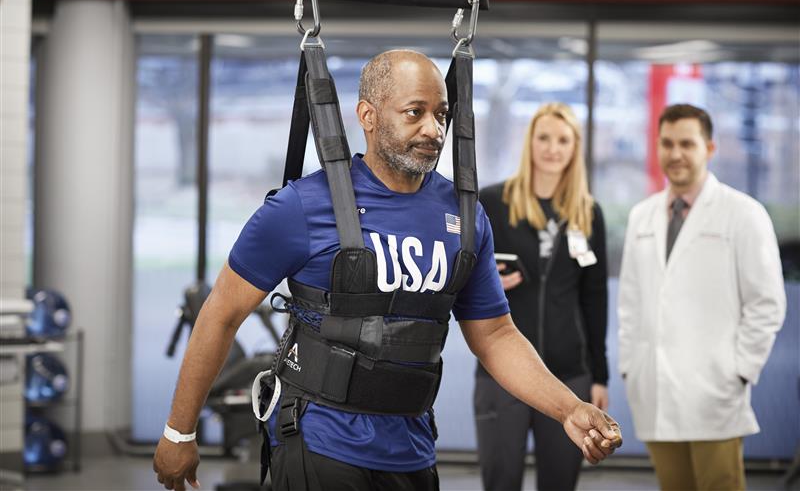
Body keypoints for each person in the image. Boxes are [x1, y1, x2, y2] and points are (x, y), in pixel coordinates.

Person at [153, 50, 622, 491]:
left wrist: (568, 408)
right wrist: (179, 432)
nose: (433, 130)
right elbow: (222, 313)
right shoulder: (302, 207)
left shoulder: (465, 218)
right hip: (320, 443)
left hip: (411, 449)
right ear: (368, 116)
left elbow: (496, 335)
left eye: (441, 114)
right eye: (414, 112)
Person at [618, 103, 786, 491]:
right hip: (655, 387)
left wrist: (740, 370)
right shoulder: (642, 216)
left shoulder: (743, 214)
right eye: (667, 143)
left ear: (709, 148)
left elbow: (767, 303)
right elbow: (630, 301)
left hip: (715, 389)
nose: (675, 154)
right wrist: (630, 365)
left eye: (687, 144)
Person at [475, 102, 609, 491]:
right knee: (500, 481)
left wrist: (599, 376)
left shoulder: (589, 214)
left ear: (575, 148)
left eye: (563, 140)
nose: (553, 148)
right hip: (504, 374)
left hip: (569, 376)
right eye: (544, 137)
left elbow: (594, 299)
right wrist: (487, 282)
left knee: (560, 483)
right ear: (529, 142)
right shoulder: (492, 203)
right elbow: (462, 278)